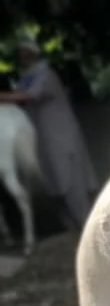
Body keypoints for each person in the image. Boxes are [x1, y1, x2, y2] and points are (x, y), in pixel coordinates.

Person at [0, 34, 98, 231]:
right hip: (42, 137)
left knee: (70, 181)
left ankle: (88, 226)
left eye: (25, 53)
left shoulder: (46, 75)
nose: (22, 58)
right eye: (20, 54)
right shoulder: (27, 77)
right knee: (53, 183)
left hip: (59, 135)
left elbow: (29, 96)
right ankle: (71, 228)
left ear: (34, 54)